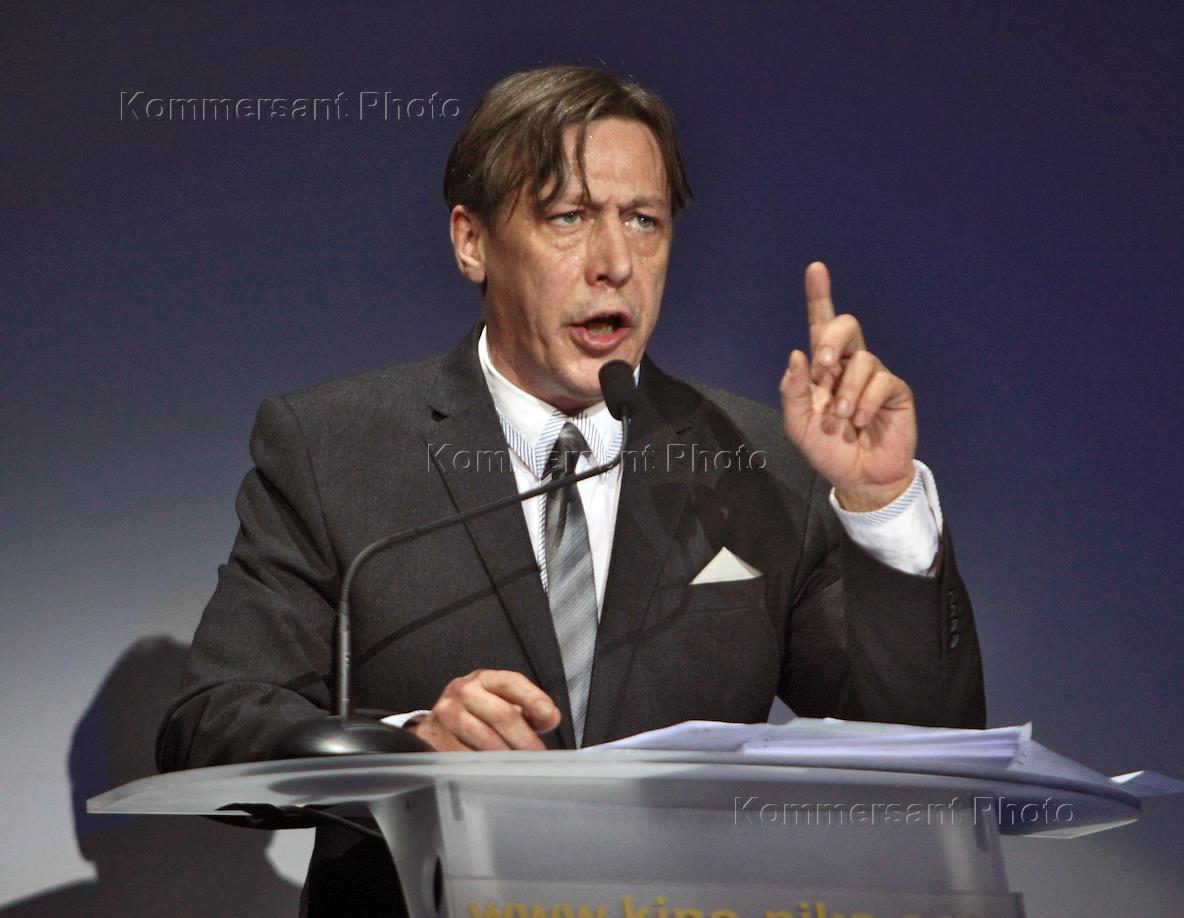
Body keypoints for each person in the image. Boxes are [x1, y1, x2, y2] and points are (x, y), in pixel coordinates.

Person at [157, 65, 984, 916]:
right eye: (569, 217)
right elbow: (211, 723)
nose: (615, 263)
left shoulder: (762, 462)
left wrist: (883, 505)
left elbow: (925, 763)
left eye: (644, 221)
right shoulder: (336, 450)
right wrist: (408, 748)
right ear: (472, 242)